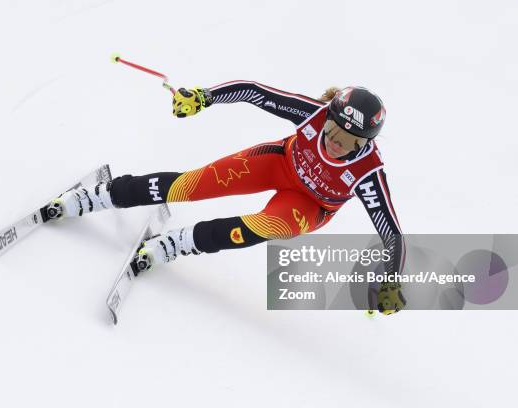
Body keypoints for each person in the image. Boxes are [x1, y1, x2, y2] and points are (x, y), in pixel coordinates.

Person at [47, 81, 406, 314]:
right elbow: (254, 91)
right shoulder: (313, 112)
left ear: (365, 145)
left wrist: (391, 280)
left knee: (260, 228)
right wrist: (204, 97)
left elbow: (392, 233)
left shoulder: (368, 172)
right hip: (278, 164)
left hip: (308, 206)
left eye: (348, 141)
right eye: (332, 129)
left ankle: (178, 244)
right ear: (327, 116)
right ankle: (98, 197)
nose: (334, 141)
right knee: (190, 185)